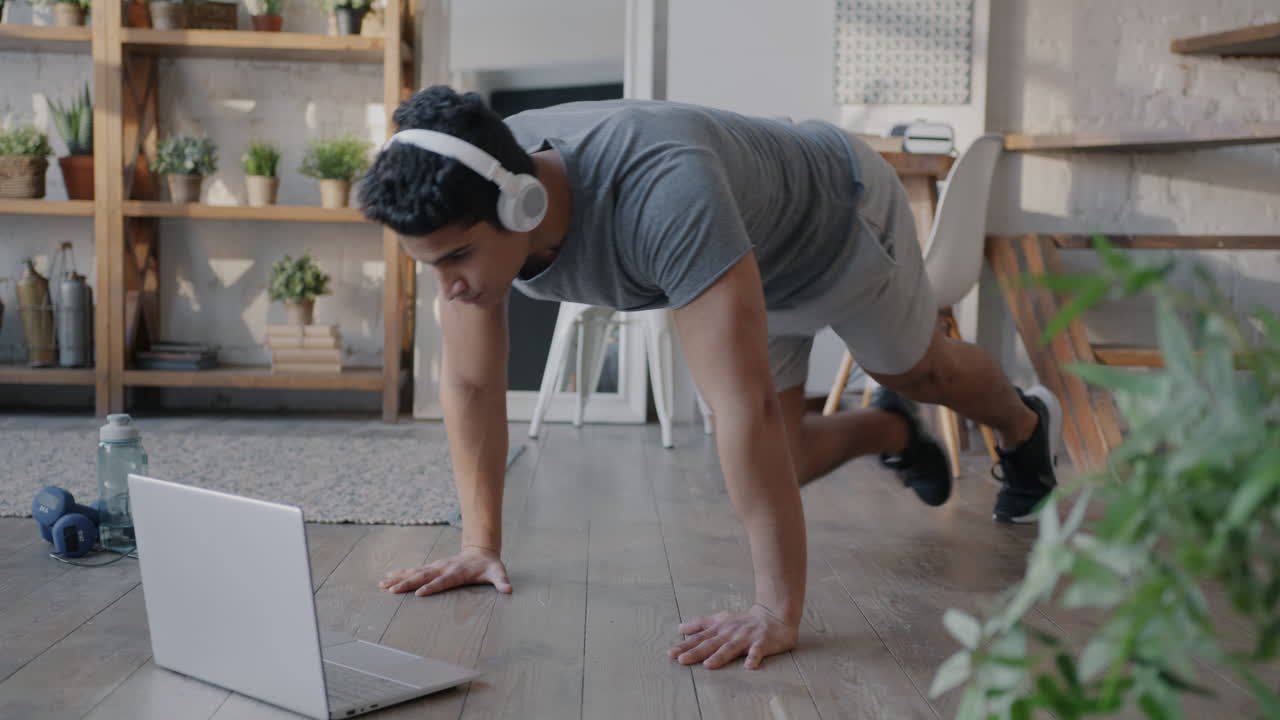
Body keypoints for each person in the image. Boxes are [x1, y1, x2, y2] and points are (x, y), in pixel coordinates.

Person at [363, 86, 1062, 671]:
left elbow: (742, 408)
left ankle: (1024, 425)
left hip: (835, 225)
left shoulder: (663, 192)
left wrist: (774, 610)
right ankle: (888, 430)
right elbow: (473, 386)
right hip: (739, 256)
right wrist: (479, 546)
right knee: (782, 463)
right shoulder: (471, 190)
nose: (447, 287)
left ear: (522, 205)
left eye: (457, 258)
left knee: (917, 369)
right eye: (430, 265)